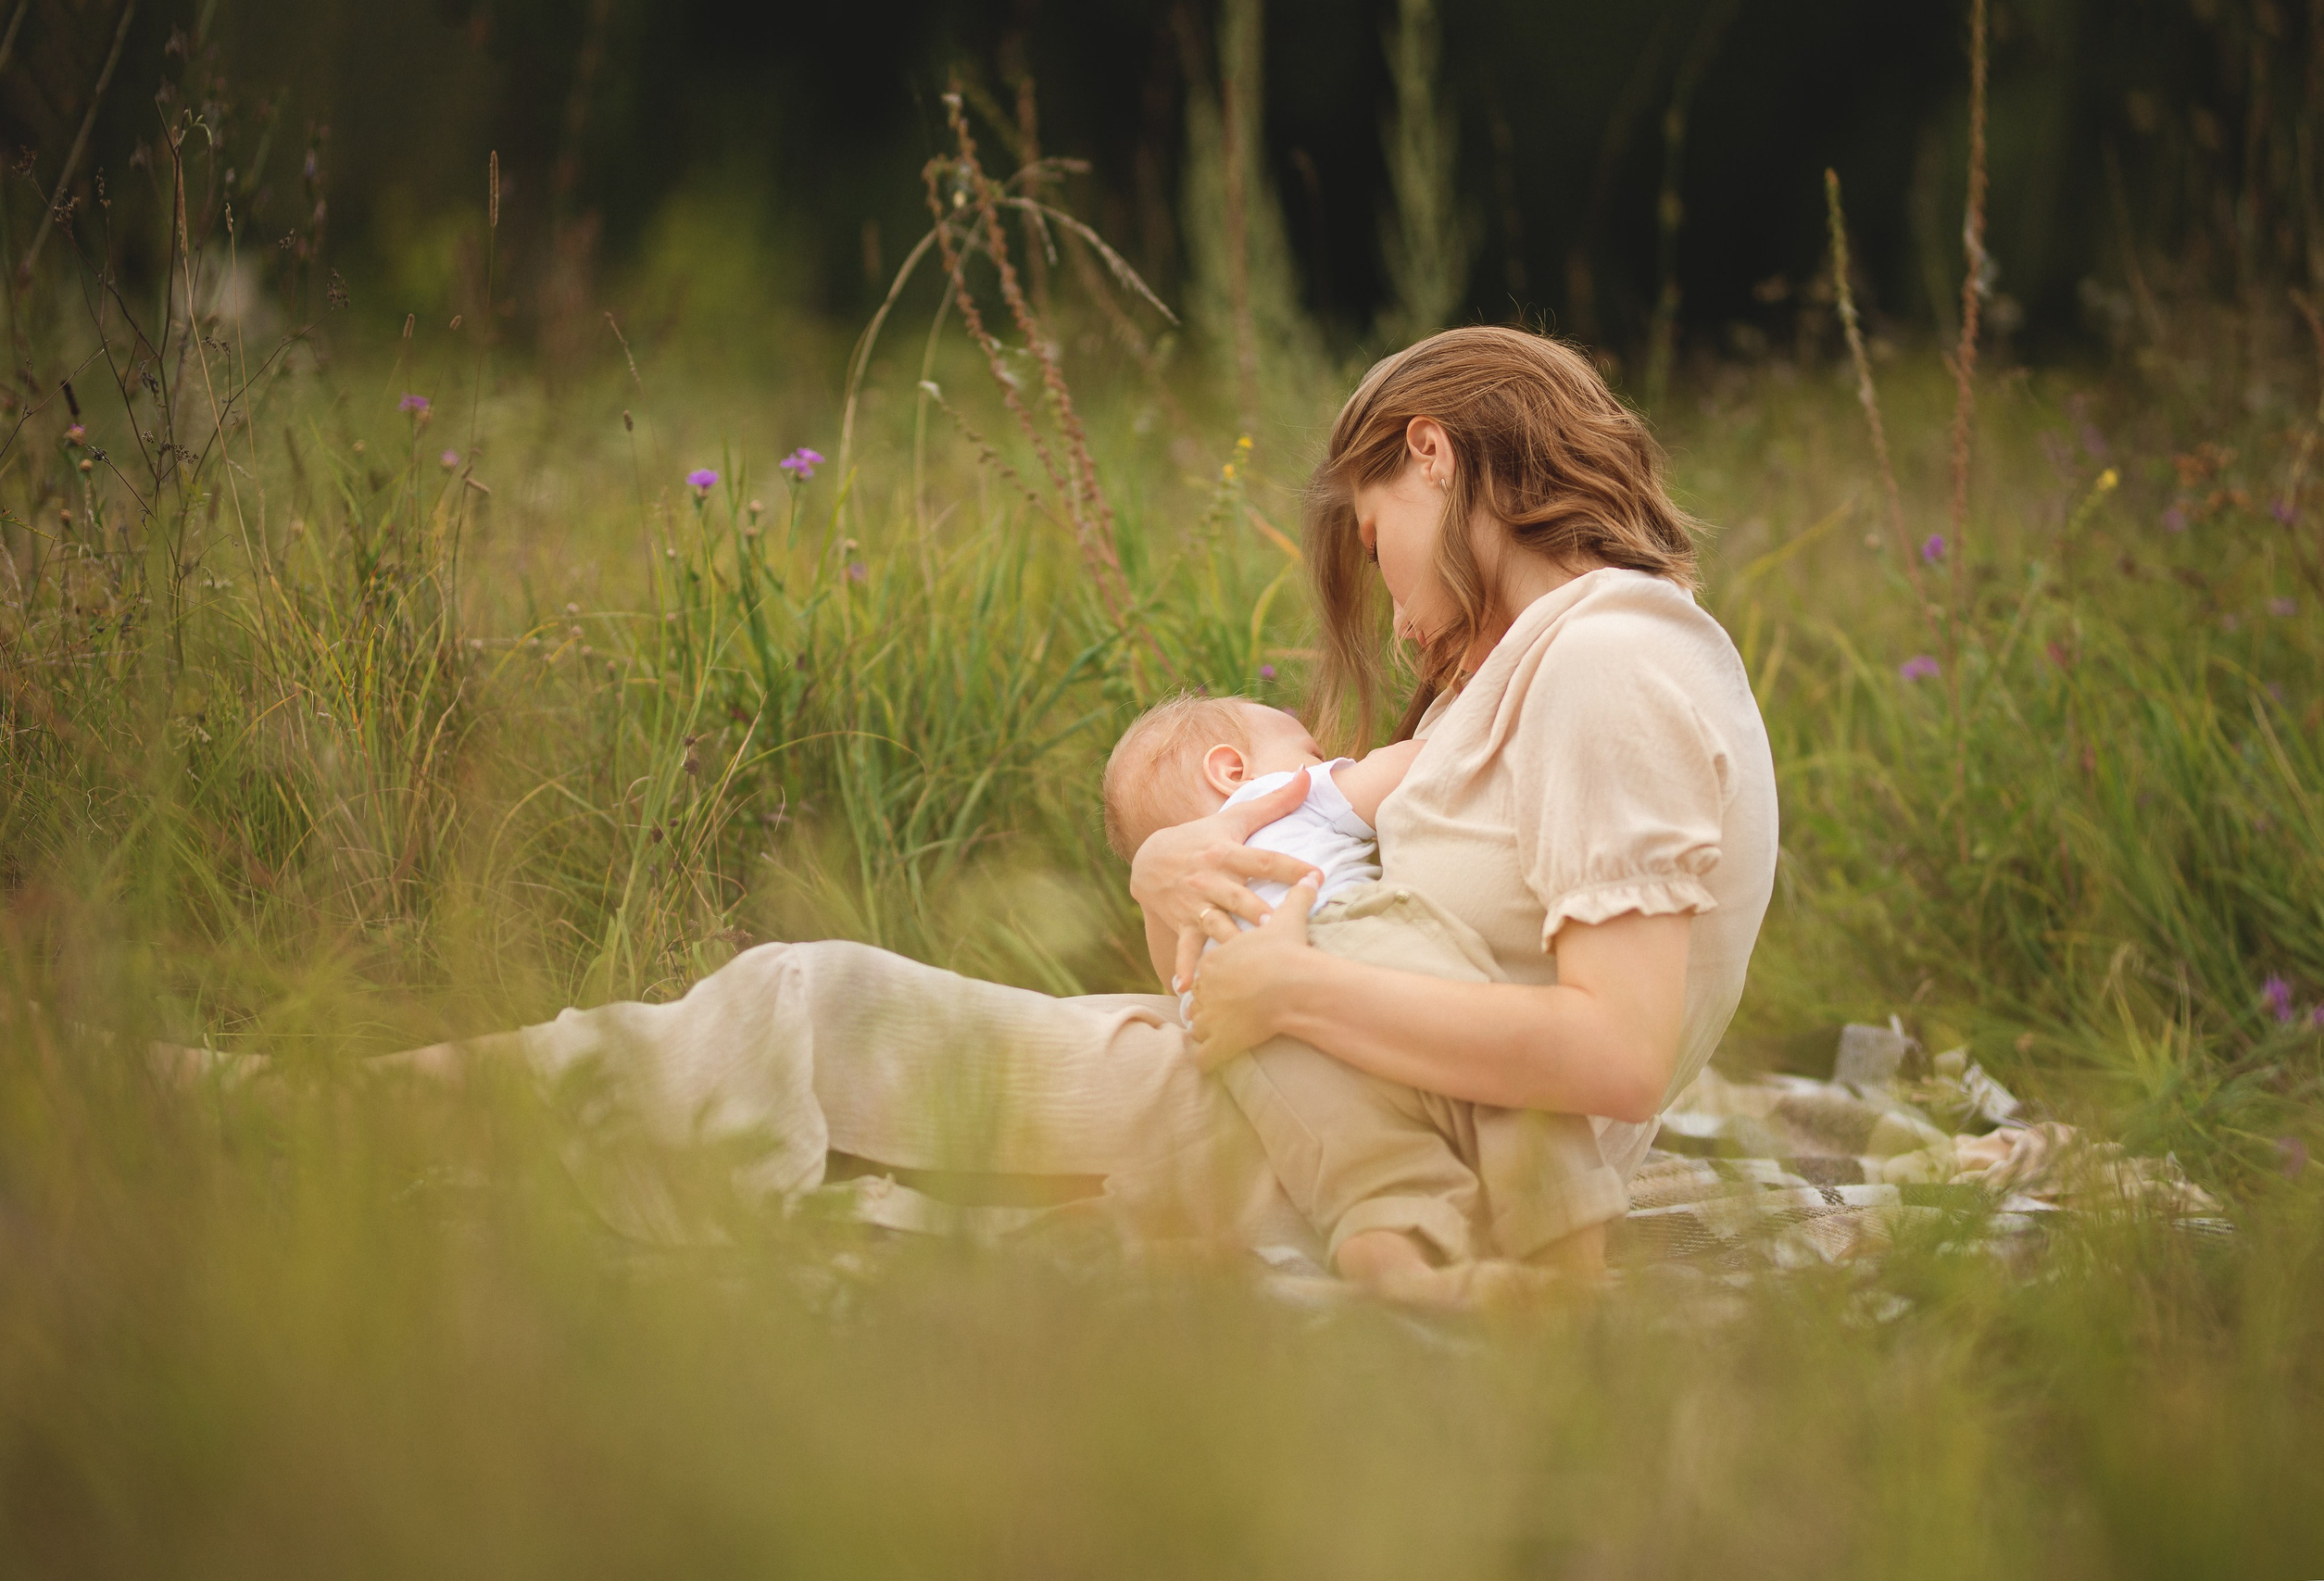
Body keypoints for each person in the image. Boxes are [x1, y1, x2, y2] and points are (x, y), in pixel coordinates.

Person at [395, 325, 1778, 1305]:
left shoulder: (1610, 659)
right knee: (792, 1023)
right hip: (1331, 1106)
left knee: (804, 1009)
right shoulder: (1557, 664)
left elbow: (1616, 1051)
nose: (1393, 598)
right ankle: (346, 1100)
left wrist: (1287, 984)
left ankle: (318, 1106)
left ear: (1433, 453)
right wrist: (1174, 859)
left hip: (1355, 1145)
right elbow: (1340, 829)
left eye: (1373, 539)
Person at [1100, 693, 1619, 1286]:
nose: (1331, 759)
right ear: (1231, 772)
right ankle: (1569, 1266)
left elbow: (1182, 988)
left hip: (1266, 1048)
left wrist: (1150, 876)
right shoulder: (1286, 801)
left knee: (1370, 1171)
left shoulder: (1178, 905)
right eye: (1312, 749)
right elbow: (1434, 760)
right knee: (1510, 1090)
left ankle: (1400, 1271)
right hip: (1364, 949)